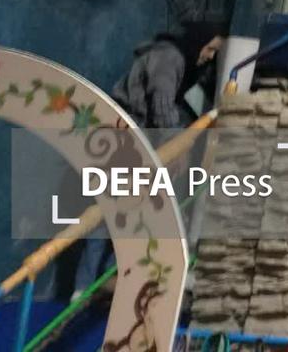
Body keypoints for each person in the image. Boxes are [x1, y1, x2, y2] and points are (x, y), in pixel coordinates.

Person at [70, 24, 224, 295]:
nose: (210, 55)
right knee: (114, 213)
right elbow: (162, 105)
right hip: (126, 140)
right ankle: (88, 286)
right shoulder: (170, 59)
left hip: (126, 138)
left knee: (120, 212)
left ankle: (96, 285)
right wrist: (178, 147)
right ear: (199, 41)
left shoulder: (176, 61)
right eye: (210, 48)